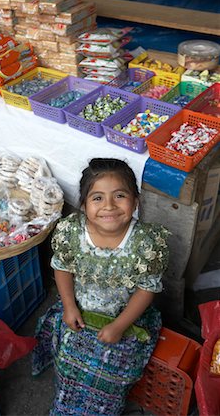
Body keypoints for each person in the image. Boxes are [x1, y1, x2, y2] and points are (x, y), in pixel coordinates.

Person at [32, 158, 170, 415]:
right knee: (68, 366)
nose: (109, 206)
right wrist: (70, 307)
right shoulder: (71, 231)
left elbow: (146, 288)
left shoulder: (147, 243)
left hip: (125, 317)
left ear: (136, 201)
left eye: (120, 195)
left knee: (112, 375)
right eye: (97, 198)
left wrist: (119, 325)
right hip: (79, 311)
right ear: (83, 205)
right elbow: (62, 267)